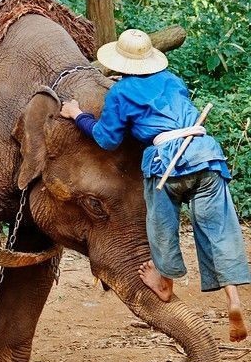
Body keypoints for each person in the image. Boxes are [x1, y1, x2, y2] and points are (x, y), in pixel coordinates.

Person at [60, 29, 249, 341]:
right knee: (220, 230)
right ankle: (234, 299)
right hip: (205, 154)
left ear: (119, 63)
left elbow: (107, 139)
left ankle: (164, 281)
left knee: (161, 223)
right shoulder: (173, 80)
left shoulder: (120, 93)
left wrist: (78, 114)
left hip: (167, 162)